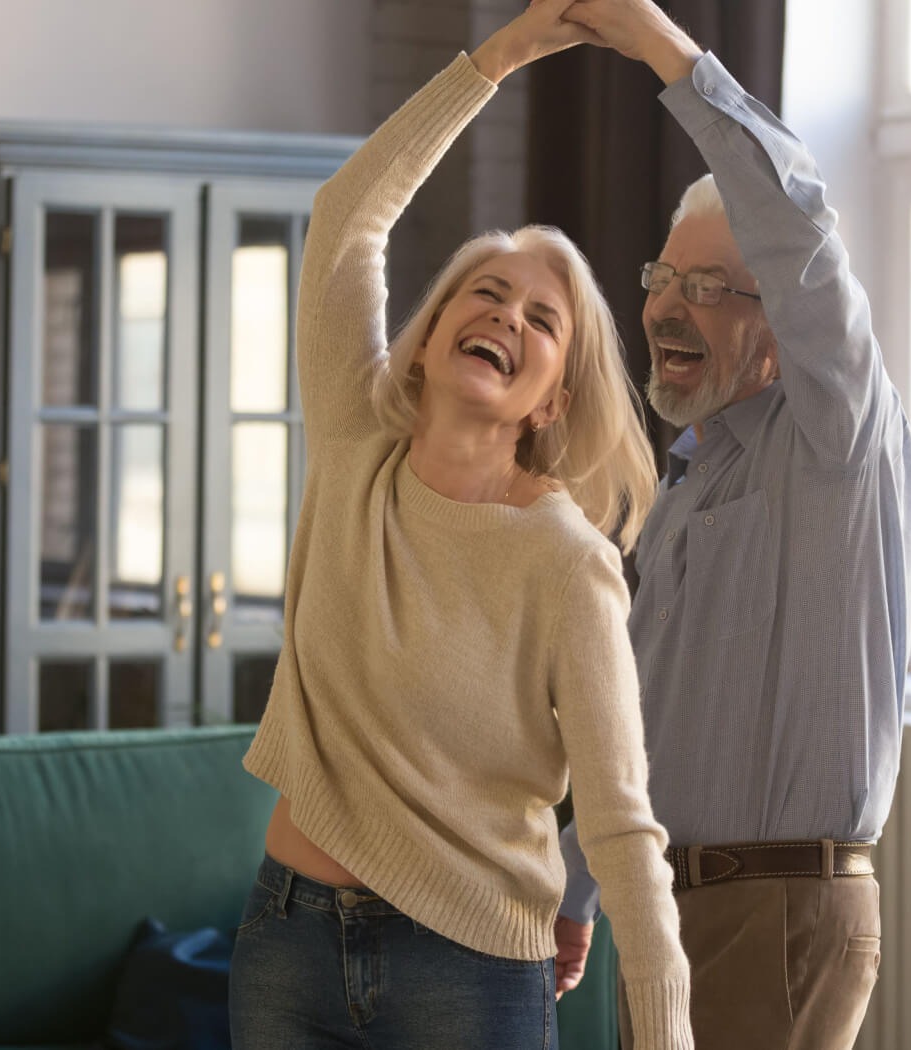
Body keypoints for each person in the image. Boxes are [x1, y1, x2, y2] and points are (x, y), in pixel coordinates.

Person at [228, 3, 694, 1048]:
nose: (506, 319)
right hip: (286, 937)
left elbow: (619, 818)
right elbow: (347, 216)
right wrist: (504, 53)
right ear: (429, 336)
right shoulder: (357, 448)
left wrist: (663, 1027)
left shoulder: (567, 565)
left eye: (541, 321)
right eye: (485, 295)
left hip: (471, 970)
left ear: (549, 399)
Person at [554, 3, 911, 1049]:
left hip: (775, 908)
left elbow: (794, 225)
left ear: (782, 323)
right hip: (670, 911)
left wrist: (662, 49)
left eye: (709, 288)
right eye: (663, 279)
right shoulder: (688, 479)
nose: (668, 307)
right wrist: (579, 883)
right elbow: (650, 719)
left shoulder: (836, 438)